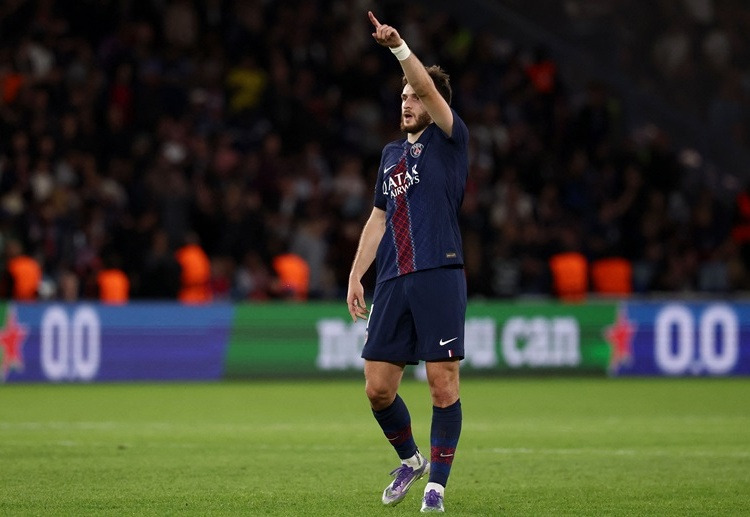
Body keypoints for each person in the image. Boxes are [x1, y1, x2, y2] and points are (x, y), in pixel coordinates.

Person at [346, 11, 469, 513]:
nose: (407, 102)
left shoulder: (450, 138)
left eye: (414, 95)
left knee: (442, 384)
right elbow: (378, 218)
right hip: (393, 279)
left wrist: (399, 48)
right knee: (377, 390)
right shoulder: (390, 155)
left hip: (438, 272)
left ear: (433, 102)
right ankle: (411, 460)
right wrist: (356, 274)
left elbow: (425, 84)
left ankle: (436, 487)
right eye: (402, 97)